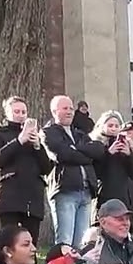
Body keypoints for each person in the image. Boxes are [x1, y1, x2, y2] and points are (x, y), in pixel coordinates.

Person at [0, 96, 52, 239]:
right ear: (7, 113)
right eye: (16, 111)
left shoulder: (35, 136)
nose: (21, 115)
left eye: (24, 112)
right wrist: (19, 141)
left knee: (30, 244)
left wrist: (38, 146)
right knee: (7, 243)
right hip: (8, 198)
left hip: (32, 199)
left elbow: (46, 168)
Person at [43, 95, 101, 247]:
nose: (69, 111)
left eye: (71, 108)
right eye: (65, 108)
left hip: (86, 191)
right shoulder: (49, 133)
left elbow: (97, 151)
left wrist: (78, 150)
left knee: (82, 244)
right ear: (54, 111)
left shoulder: (80, 134)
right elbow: (62, 155)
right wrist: (85, 155)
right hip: (65, 190)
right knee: (65, 242)